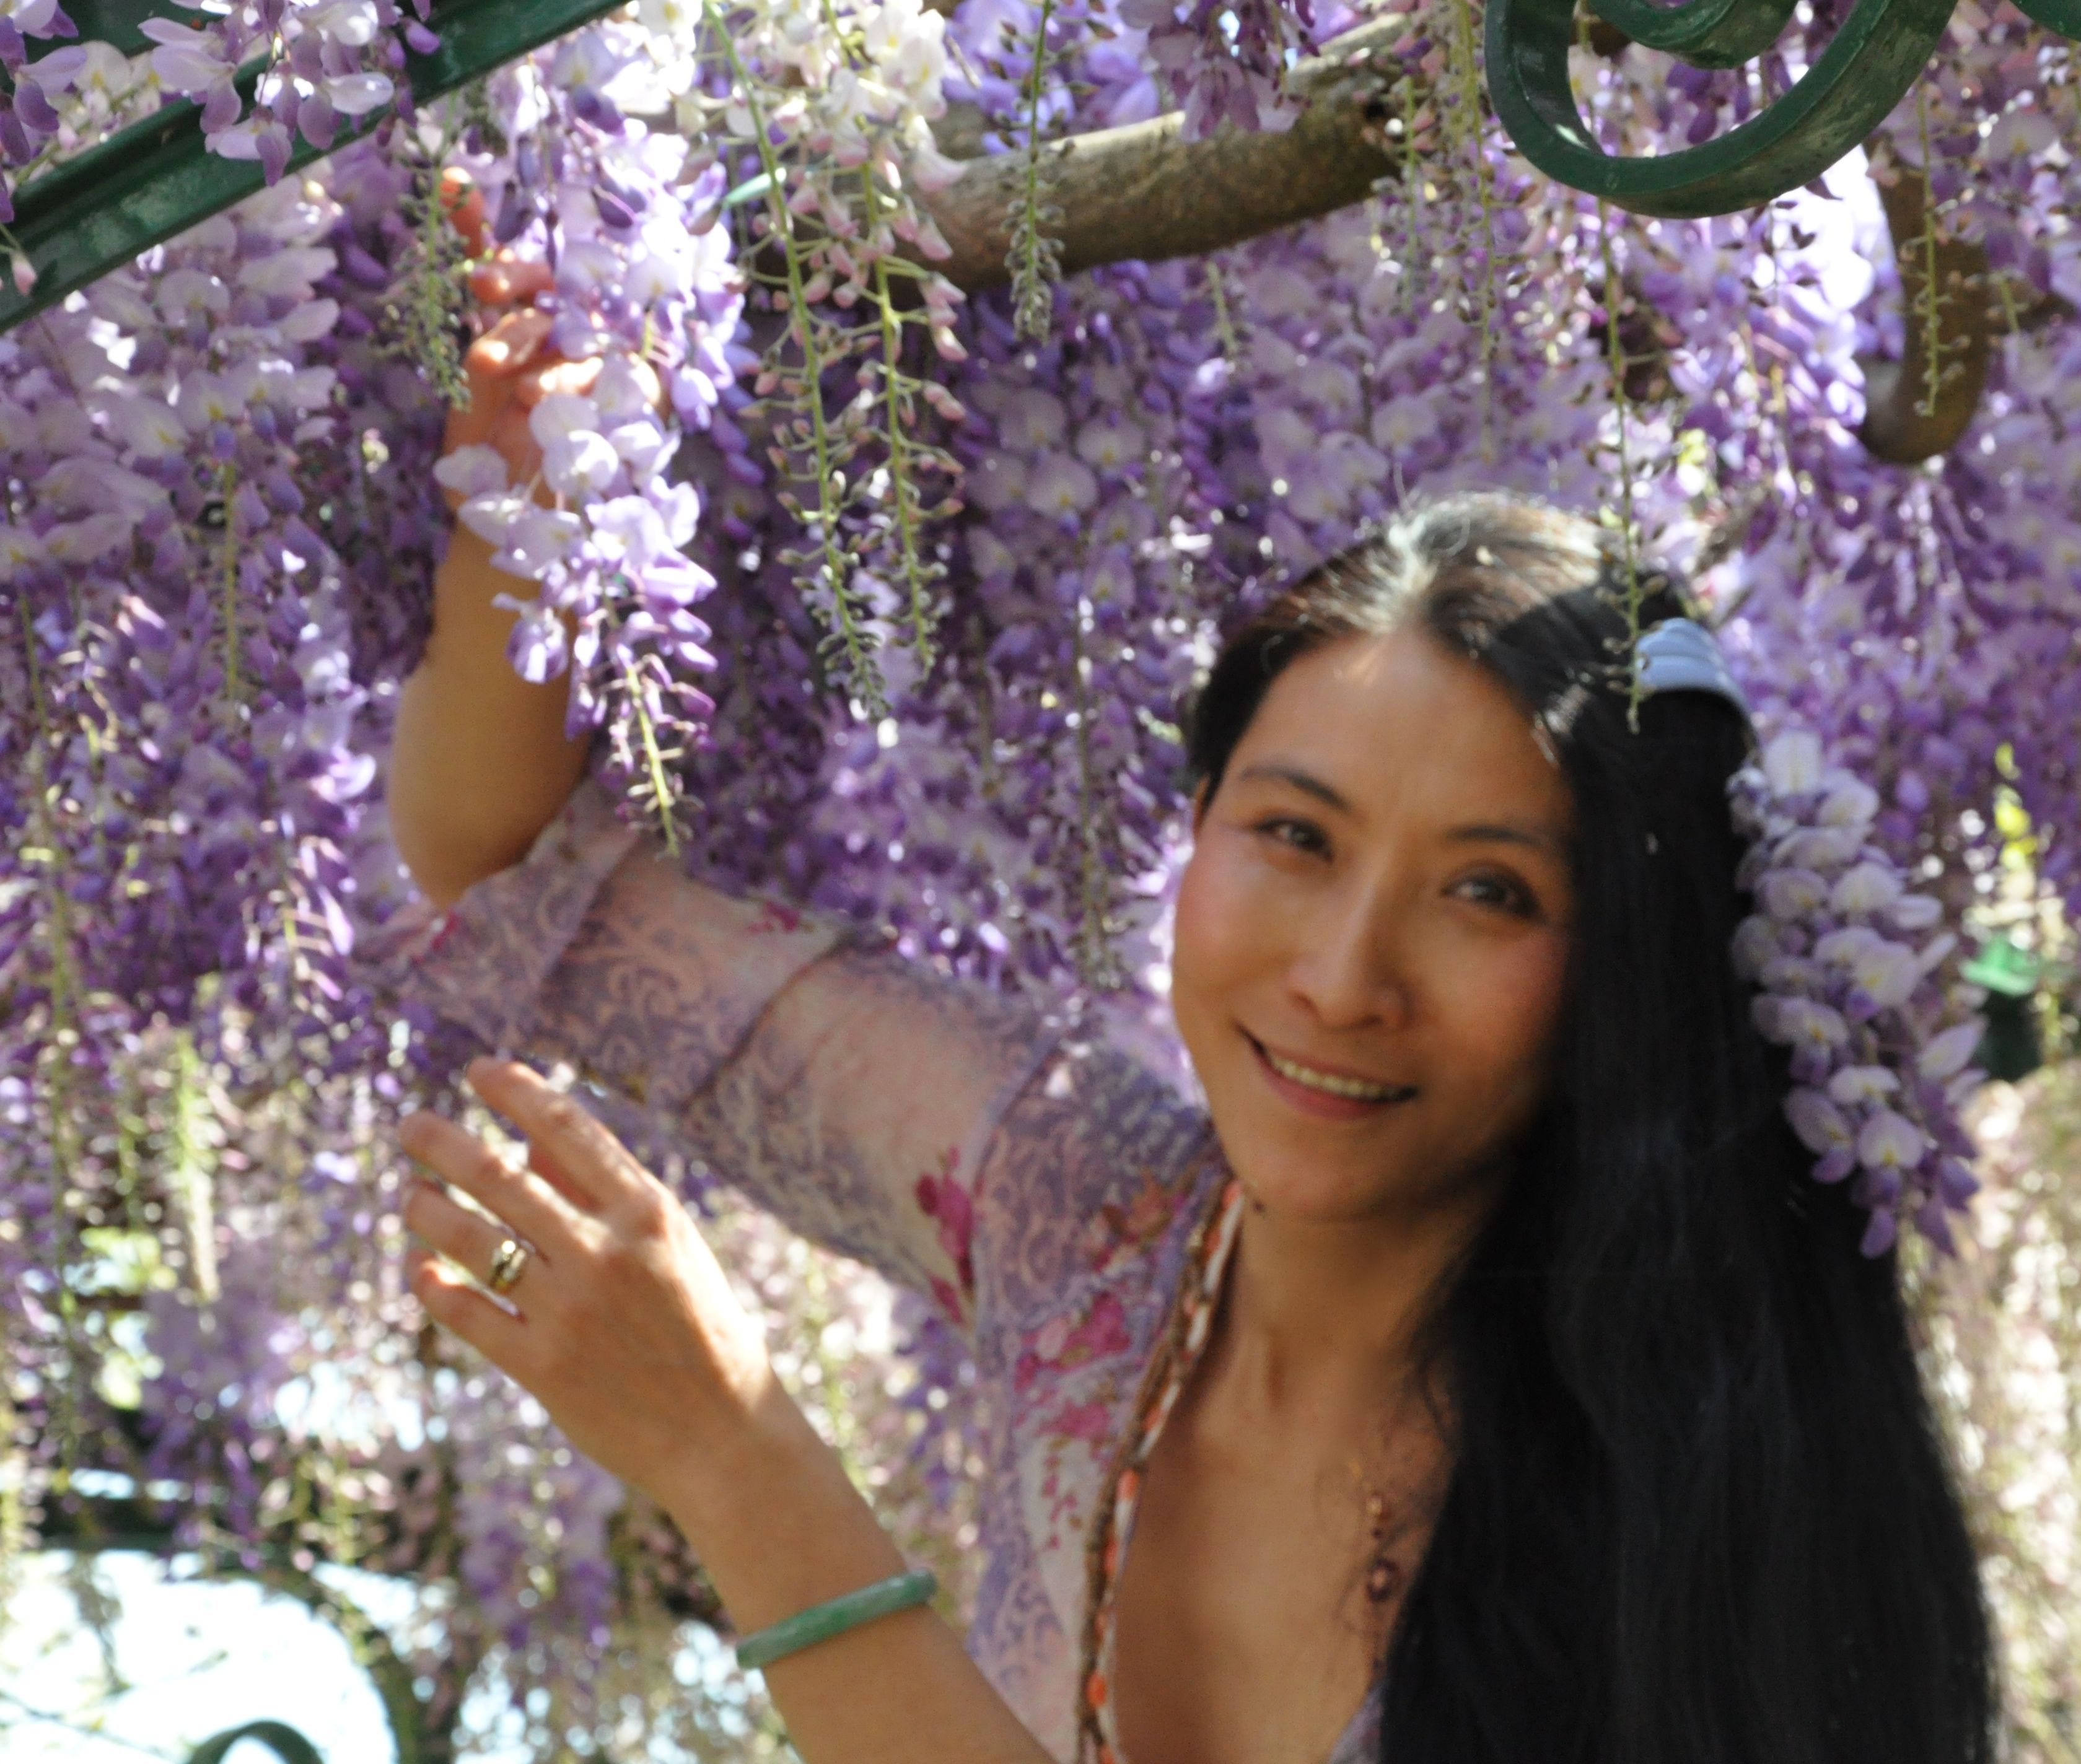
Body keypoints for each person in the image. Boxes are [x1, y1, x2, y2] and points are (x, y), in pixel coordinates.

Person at [383, 238, 1996, 1764]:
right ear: (1197, 829)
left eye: (1491, 891)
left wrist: (739, 1467)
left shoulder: (1704, 1512)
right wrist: (537, 484)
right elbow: (518, 868)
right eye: (1294, 837)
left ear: (1629, 969)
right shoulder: (1080, 1207)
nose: (1342, 976)